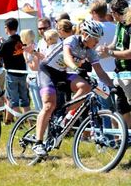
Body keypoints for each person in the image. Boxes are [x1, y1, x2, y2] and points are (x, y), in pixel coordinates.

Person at [34, 20, 115, 156]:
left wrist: (112, 87)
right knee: (48, 105)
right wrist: (77, 68)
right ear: (85, 35)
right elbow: (67, 58)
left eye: (98, 39)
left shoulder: (90, 51)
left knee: (86, 86)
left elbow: (100, 72)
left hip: (62, 73)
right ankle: (38, 143)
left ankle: (63, 115)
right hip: (47, 71)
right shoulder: (72, 40)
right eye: (95, 38)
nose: (97, 42)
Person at [99, 0, 131, 127]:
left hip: (129, 72)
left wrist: (110, 53)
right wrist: (105, 50)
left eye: (112, 13)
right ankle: (127, 137)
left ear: (116, 13)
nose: (111, 16)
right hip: (119, 73)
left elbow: (129, 53)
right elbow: (115, 44)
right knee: (122, 107)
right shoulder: (119, 24)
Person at [0, 18, 30, 125]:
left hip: (12, 74)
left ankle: (19, 123)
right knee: (25, 100)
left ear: (7, 28)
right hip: (23, 73)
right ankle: (30, 122)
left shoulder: (6, 43)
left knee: (14, 101)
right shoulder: (21, 40)